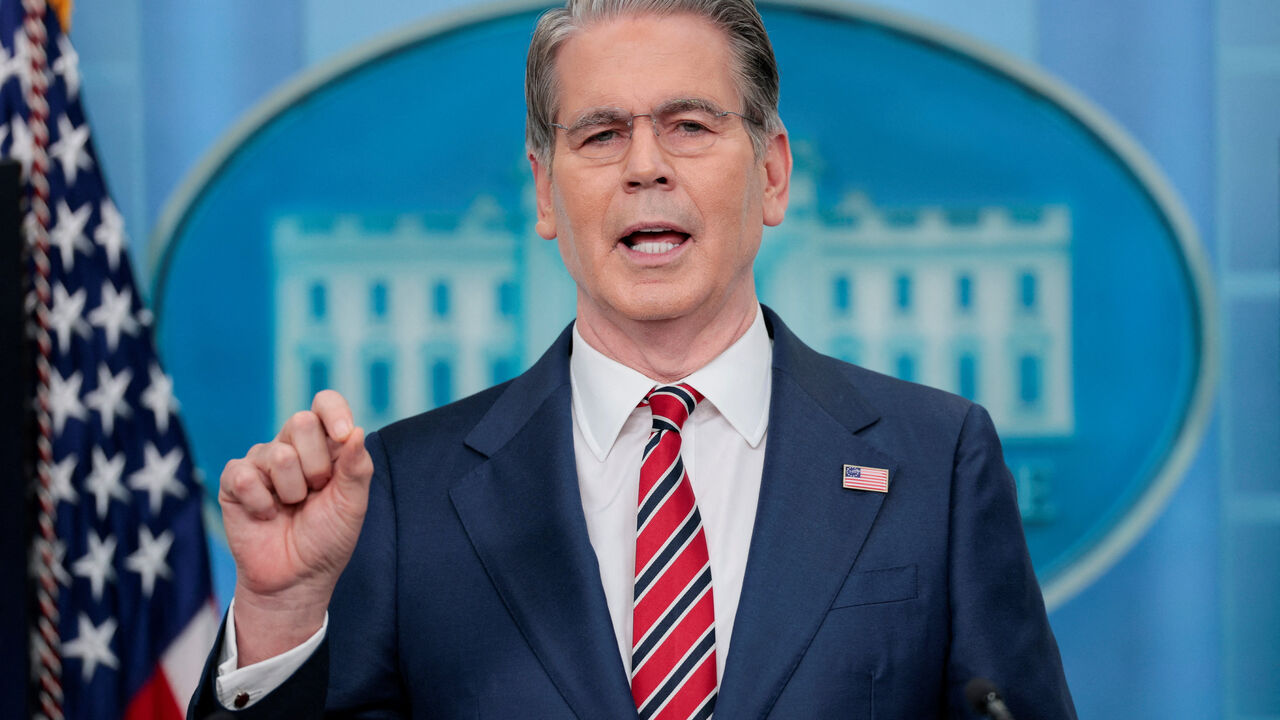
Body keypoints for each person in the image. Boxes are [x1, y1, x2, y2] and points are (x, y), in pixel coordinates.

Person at [189, 0, 1077, 717]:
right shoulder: (403, 492)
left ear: (771, 175)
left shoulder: (937, 459)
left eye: (690, 125)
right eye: (601, 134)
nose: (645, 167)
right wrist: (279, 617)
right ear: (543, 190)